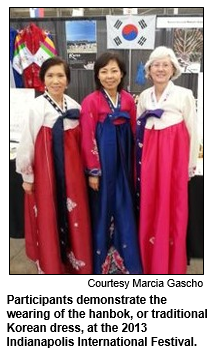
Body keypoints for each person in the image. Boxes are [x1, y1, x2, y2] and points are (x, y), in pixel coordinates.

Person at [16, 56, 92, 274]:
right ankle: (51, 265)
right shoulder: (36, 108)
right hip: (46, 175)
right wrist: (27, 178)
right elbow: (27, 143)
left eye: (60, 75)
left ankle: (75, 262)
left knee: (75, 214)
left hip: (73, 175)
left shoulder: (76, 106)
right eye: (50, 76)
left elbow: (83, 143)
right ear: (43, 80)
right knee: (49, 216)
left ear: (68, 80)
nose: (56, 80)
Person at [136, 46, 199, 274]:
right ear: (149, 70)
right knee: (150, 203)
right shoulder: (144, 96)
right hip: (150, 158)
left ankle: (171, 264)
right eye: (156, 65)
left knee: (173, 207)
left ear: (173, 68)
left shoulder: (184, 95)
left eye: (165, 64)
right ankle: (150, 259)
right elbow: (139, 132)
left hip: (174, 159)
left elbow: (193, 130)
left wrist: (189, 165)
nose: (160, 69)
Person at [80, 52, 142, 274]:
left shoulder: (127, 99)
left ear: (122, 73)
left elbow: (134, 131)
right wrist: (93, 171)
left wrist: (137, 163)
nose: (109, 76)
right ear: (97, 75)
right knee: (104, 204)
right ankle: (104, 260)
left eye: (114, 70)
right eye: (104, 71)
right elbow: (87, 136)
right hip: (103, 161)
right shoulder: (90, 101)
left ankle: (126, 258)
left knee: (125, 202)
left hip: (124, 161)